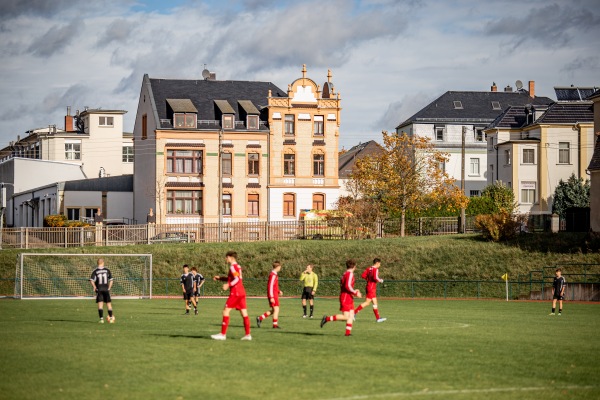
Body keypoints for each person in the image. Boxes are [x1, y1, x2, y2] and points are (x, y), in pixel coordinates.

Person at [211, 251, 252, 341]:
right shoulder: (238, 266)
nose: (226, 259)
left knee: (226, 311)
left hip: (236, 292)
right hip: (241, 292)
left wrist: (228, 285)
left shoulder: (233, 267)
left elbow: (236, 279)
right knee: (244, 313)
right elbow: (234, 278)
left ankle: (222, 334)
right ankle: (248, 335)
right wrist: (221, 278)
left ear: (230, 257)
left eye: (226, 257)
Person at [320, 259, 362, 336]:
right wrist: (355, 292)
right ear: (354, 266)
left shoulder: (345, 273)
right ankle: (326, 319)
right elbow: (347, 286)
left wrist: (353, 291)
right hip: (346, 297)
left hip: (348, 296)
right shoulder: (349, 274)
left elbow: (346, 286)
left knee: (351, 315)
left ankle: (347, 333)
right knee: (346, 317)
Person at [354, 258, 387, 322]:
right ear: (377, 263)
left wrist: (368, 280)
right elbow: (375, 277)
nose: (380, 265)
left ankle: (378, 318)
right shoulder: (376, 269)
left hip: (369, 286)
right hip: (371, 288)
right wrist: (381, 280)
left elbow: (363, 275)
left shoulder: (369, 268)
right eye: (379, 264)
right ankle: (354, 313)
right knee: (367, 303)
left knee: (375, 302)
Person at [257, 261, 283, 329]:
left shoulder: (274, 274)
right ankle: (275, 325)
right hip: (273, 295)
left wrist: (278, 291)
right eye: (280, 267)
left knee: (274, 310)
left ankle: (260, 318)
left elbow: (274, 286)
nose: (280, 268)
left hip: (274, 294)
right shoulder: (273, 275)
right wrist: (271, 297)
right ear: (277, 267)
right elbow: (270, 286)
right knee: (276, 309)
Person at [89, 258, 115, 323]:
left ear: (97, 263)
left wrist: (94, 287)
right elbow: (111, 280)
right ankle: (111, 319)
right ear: (103, 263)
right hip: (106, 289)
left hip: (99, 289)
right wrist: (109, 288)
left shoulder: (95, 271)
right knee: (108, 304)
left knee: (100, 304)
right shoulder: (107, 270)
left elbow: (91, 280)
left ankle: (101, 319)